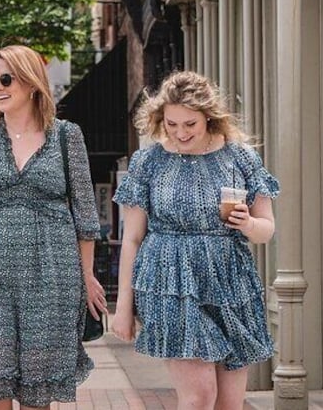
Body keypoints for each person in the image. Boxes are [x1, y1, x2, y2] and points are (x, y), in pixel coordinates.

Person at [0, 44, 107, 410]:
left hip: (52, 276)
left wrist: (87, 275)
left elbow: (84, 214)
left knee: (36, 392)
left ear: (31, 83)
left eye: (6, 78)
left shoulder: (66, 136)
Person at [111, 70, 279, 410]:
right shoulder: (149, 162)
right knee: (199, 397)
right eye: (172, 124)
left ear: (209, 117)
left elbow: (267, 229)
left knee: (229, 404)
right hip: (170, 281)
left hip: (231, 283)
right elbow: (132, 238)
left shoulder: (241, 158)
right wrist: (123, 308)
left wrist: (247, 223)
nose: (180, 133)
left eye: (190, 124)